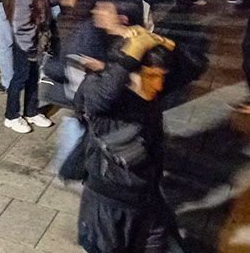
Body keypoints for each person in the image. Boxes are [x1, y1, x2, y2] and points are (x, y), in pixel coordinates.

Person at [72, 23, 176, 253]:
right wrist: (134, 49)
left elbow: (194, 65)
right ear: (128, 73)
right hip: (109, 206)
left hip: (147, 198)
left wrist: (156, 40)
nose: (158, 85)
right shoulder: (103, 100)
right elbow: (103, 94)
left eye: (161, 77)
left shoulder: (150, 96)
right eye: (151, 76)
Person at [2, 0, 59, 133]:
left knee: (33, 77)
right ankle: (11, 116)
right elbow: (21, 23)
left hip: (36, 42)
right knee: (20, 77)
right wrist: (29, 46)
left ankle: (31, 111)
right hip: (25, 43)